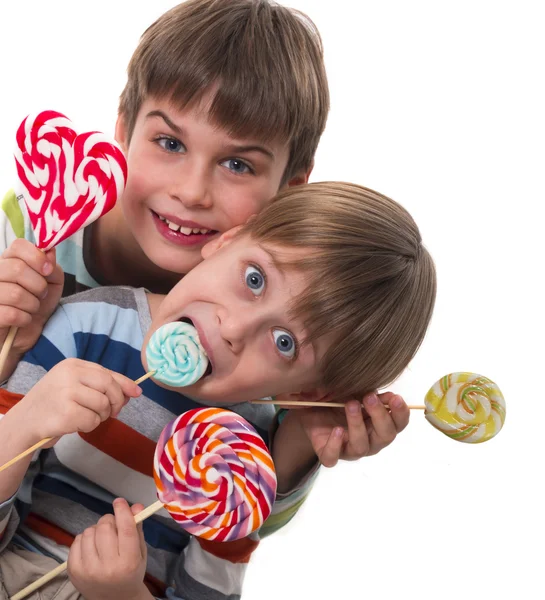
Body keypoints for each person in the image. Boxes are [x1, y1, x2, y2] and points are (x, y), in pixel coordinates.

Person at [0, 1, 409, 477]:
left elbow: (219, 519)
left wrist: (302, 443)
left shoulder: (267, 334)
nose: (192, 192)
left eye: (237, 164)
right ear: (124, 131)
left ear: (288, 192)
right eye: (170, 143)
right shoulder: (25, 234)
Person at [0, 182, 436, 600]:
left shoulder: (243, 463)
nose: (234, 327)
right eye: (254, 279)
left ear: (311, 390)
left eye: (284, 342)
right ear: (227, 241)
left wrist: (123, 594)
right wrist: (22, 425)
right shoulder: (87, 329)